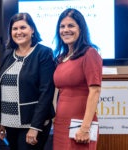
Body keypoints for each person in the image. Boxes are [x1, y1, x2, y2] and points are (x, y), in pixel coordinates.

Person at [0, 13, 55, 150]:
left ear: (32, 29)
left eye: (23, 27)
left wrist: (35, 127)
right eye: (14, 28)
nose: (18, 32)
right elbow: (2, 90)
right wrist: (1, 122)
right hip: (10, 124)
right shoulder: (7, 55)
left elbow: (46, 92)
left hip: (32, 124)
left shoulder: (43, 53)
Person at [53, 8, 102, 150]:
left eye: (71, 25)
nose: (66, 30)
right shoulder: (61, 58)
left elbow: (95, 91)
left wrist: (85, 128)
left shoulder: (90, 53)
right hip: (61, 123)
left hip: (80, 125)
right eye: (62, 26)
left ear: (81, 29)